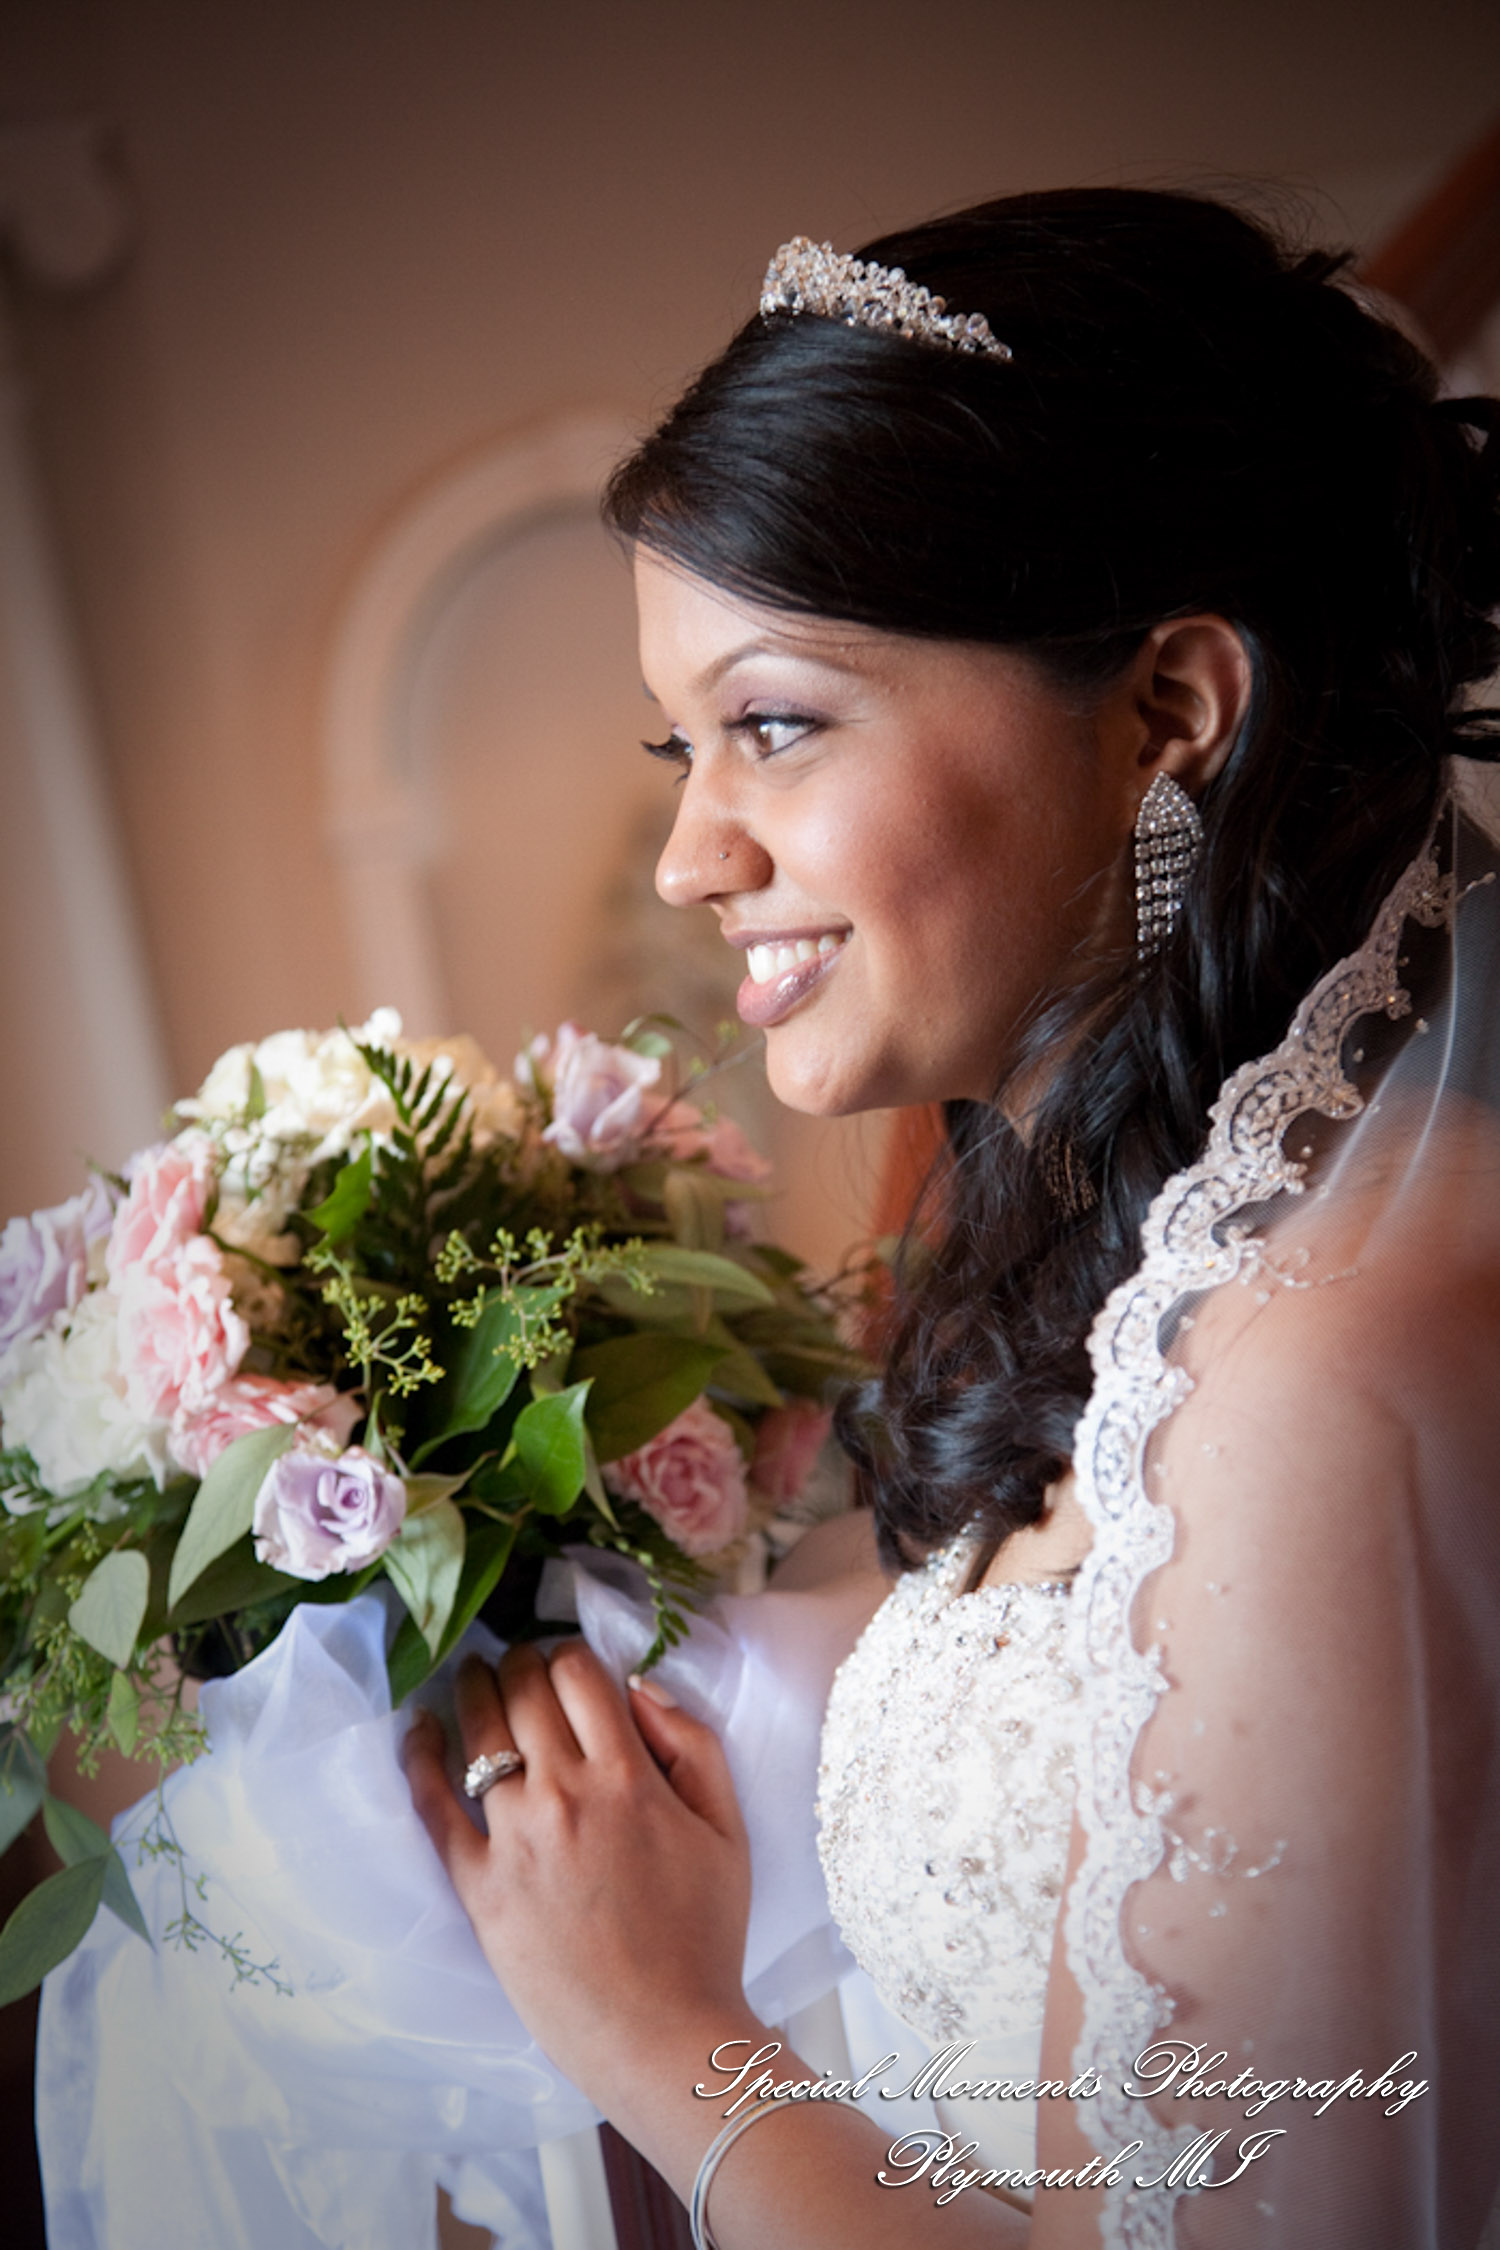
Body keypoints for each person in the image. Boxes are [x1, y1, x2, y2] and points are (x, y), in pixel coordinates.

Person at [402, 187, 1500, 2249]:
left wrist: (659, 2029)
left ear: (1175, 706)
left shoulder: (1320, 1375)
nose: (690, 854)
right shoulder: (1151, 1247)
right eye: (682, 742)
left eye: (778, 725)